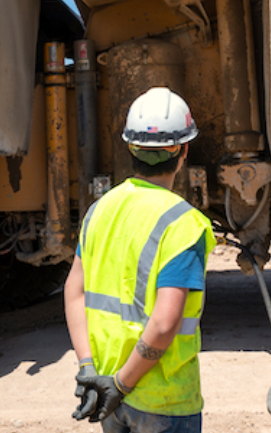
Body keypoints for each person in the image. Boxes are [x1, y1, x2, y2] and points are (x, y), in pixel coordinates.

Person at [66, 86, 216, 433]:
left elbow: (74, 291)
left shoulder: (99, 210)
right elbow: (164, 324)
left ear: (130, 147)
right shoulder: (184, 223)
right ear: (184, 151)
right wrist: (123, 384)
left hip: (107, 391)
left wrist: (89, 368)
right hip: (162, 399)